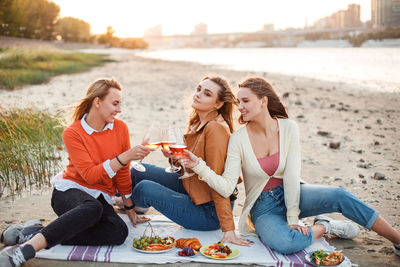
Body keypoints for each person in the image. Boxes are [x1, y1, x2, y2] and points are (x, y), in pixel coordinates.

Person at [182, 76, 400, 255]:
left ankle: (397, 239)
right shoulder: (238, 139)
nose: (240, 107)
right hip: (263, 208)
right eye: (238, 102)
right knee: (287, 244)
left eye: (246, 101)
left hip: (293, 192)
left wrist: (293, 217)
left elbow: (293, 175)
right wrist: (198, 165)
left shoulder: (289, 128)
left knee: (340, 195)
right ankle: (325, 226)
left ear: (263, 101)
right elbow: (227, 187)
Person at [0, 78, 152, 267]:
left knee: (118, 231)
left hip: (100, 196)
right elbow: (90, 175)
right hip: (69, 191)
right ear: (97, 102)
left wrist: (129, 207)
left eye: (120, 104)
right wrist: (125, 156)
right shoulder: (73, 132)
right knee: (92, 208)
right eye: (115, 103)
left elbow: (122, 172)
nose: (119, 109)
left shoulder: (120, 128)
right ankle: (25, 250)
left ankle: (35, 232)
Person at [114, 75, 251, 246]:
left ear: (218, 104)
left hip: (209, 212)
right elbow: (188, 167)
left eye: (207, 94)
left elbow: (220, 182)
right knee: (136, 172)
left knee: (145, 188)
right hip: (192, 188)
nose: (198, 94)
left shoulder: (215, 128)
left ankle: (127, 202)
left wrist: (228, 229)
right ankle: (133, 203)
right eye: (198, 89)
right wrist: (173, 159)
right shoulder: (198, 121)